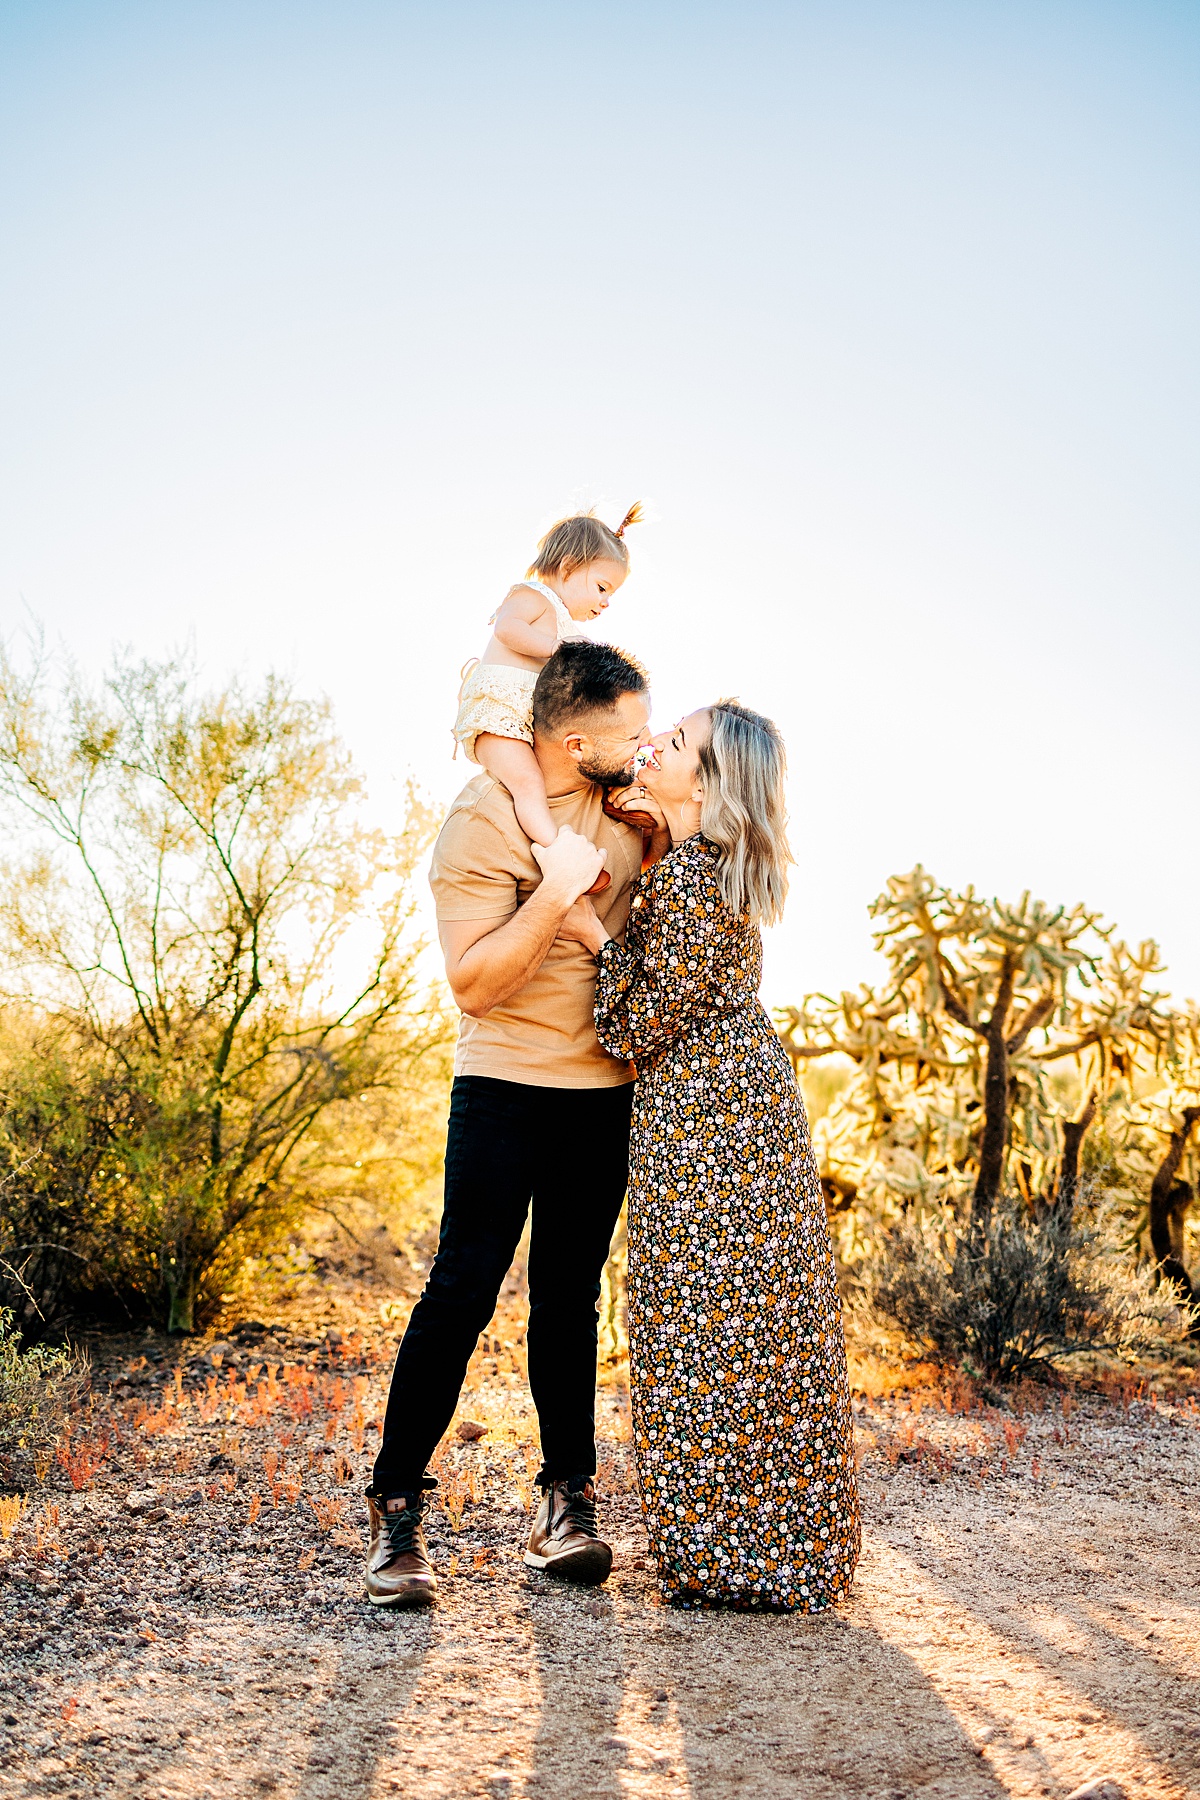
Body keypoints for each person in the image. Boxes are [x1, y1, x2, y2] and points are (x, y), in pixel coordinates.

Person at [365, 640, 661, 1608]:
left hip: (602, 1098)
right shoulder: (481, 820)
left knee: (571, 1297)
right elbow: (476, 983)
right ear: (576, 741)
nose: (644, 744)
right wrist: (559, 892)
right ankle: (396, 1508)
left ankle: (565, 1503)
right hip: (501, 1088)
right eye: (629, 732)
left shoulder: (630, 813)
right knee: (461, 1291)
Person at [565, 701, 861, 1610]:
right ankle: (778, 1550)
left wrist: (585, 929)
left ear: (711, 781)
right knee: (758, 1334)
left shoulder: (689, 878)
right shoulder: (702, 866)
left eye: (678, 743)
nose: (656, 745)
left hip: (708, 1123)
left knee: (701, 1332)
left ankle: (734, 1562)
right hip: (739, 1112)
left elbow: (632, 1021)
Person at [453, 505, 644, 861]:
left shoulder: (567, 627)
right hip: (497, 718)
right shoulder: (532, 596)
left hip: (523, 723)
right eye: (602, 588)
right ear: (569, 566)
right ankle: (559, 855)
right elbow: (507, 629)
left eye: (610, 595)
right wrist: (559, 649)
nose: (605, 602)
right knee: (528, 783)